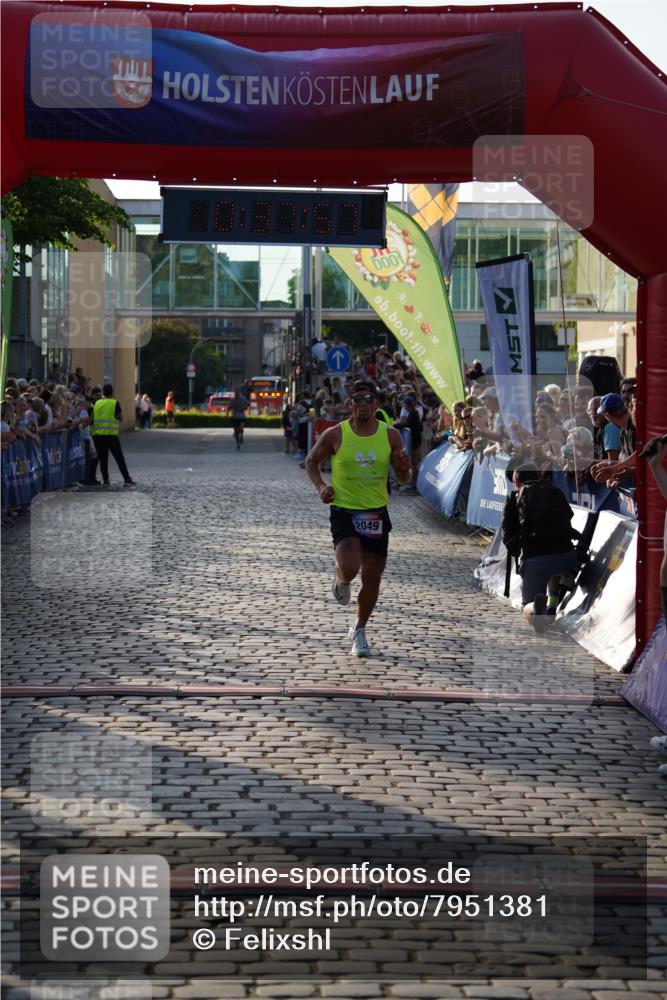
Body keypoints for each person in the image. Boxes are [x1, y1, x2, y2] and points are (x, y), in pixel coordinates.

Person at [304, 379, 412, 658]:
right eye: (358, 399)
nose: (363, 404)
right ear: (349, 404)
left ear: (376, 404)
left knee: (373, 577)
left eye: (369, 399)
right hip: (345, 511)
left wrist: (404, 470)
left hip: (376, 511)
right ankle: (341, 578)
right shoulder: (335, 434)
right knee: (351, 569)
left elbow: (403, 477)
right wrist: (321, 487)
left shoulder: (390, 436)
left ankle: (360, 629)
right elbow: (311, 461)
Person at [502, 464, 579, 621]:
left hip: (537, 561)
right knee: (552, 566)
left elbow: (508, 535)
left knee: (527, 606)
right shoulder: (554, 491)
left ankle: (536, 610)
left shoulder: (516, 499)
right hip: (568, 556)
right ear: (538, 476)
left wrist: (518, 550)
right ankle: (552, 606)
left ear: (517, 482)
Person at [92, 384, 136, 487]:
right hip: (111, 436)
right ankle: (127, 479)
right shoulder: (114, 403)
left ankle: (106, 481)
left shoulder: (97, 403)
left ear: (103, 392)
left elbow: (92, 418)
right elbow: (120, 418)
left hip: (98, 436)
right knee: (119, 458)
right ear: (112, 392)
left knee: (103, 459)